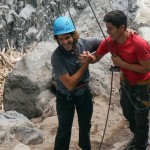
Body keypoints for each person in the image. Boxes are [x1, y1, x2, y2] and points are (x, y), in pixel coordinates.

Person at [80, 10, 150, 150]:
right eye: (107, 28)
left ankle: (141, 145)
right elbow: (97, 57)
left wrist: (122, 64)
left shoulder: (139, 44)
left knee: (141, 118)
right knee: (128, 113)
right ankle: (137, 137)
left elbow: (146, 68)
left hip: (143, 86)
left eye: (110, 29)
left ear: (122, 28)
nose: (108, 32)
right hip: (126, 84)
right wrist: (89, 59)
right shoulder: (110, 42)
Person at [51, 16, 101, 150]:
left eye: (67, 37)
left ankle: (85, 147)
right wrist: (85, 64)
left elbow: (107, 43)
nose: (64, 42)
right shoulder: (57, 57)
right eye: (60, 39)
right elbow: (70, 84)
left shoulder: (84, 44)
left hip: (84, 94)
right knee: (64, 130)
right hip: (65, 96)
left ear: (73, 35)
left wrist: (94, 56)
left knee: (85, 126)